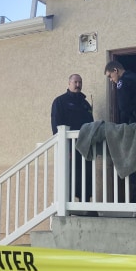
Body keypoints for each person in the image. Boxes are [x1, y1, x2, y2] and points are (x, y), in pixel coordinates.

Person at [104, 61, 136, 204]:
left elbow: (124, 107)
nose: (111, 80)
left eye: (110, 76)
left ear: (115, 70)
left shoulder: (123, 82)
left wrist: (121, 128)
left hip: (135, 125)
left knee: (134, 161)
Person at [51, 74, 94, 202]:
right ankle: (68, 205)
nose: (78, 85)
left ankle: (85, 204)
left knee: (85, 174)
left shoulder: (85, 104)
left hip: (84, 146)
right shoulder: (60, 101)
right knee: (69, 175)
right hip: (68, 146)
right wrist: (64, 147)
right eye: (75, 82)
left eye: (80, 82)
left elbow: (91, 124)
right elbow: (56, 125)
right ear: (69, 83)